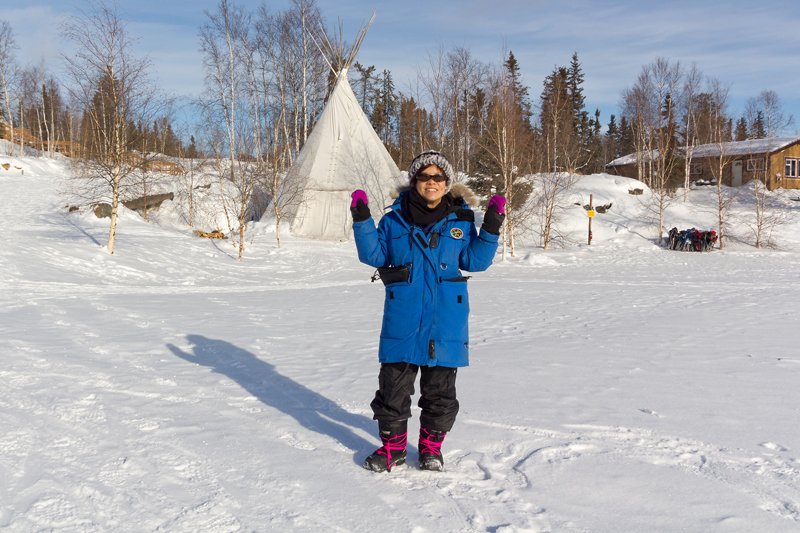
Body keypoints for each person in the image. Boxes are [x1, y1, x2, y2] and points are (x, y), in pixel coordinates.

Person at [350, 150, 505, 472]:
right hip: (403, 313)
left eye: (438, 177)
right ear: (414, 180)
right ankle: (392, 449)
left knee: (440, 391)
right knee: (393, 388)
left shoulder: (462, 219)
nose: (431, 182)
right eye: (424, 176)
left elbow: (474, 262)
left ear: (447, 183)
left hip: (446, 318)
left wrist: (491, 226)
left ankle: (431, 448)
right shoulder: (393, 218)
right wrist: (362, 219)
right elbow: (375, 256)